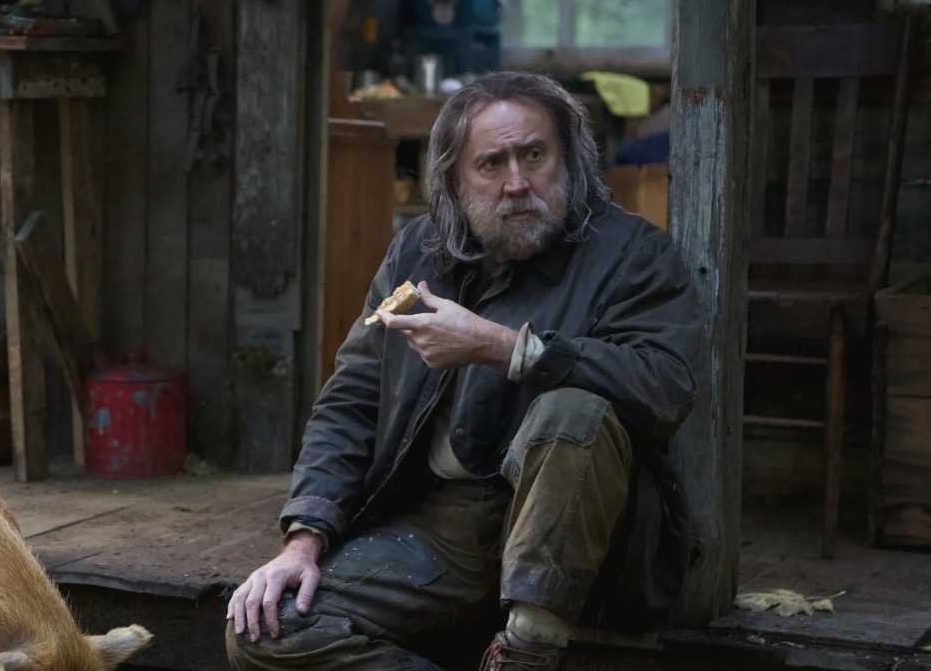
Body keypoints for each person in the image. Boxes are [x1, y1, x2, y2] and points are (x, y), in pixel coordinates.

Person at [224, 71, 702, 670]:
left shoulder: (633, 254)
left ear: (570, 161)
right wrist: (304, 539)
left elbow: (664, 386)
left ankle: (527, 649)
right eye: (491, 164)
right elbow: (352, 399)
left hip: (584, 537)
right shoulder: (419, 251)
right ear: (454, 180)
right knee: (264, 631)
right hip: (442, 529)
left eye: (535, 156)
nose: (517, 183)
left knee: (573, 409)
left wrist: (505, 348)